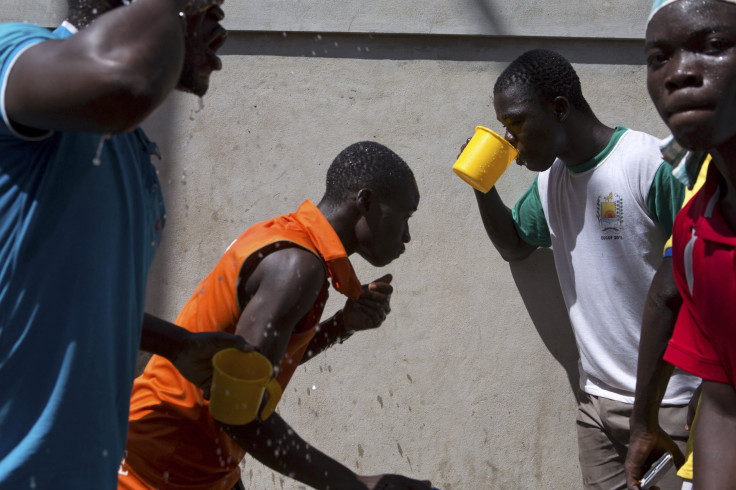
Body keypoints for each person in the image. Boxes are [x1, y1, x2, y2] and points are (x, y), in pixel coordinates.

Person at [0, 1, 249, 488]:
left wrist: (175, 345)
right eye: (204, 11)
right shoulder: (20, 54)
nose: (219, 31)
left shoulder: (128, 149)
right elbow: (125, 80)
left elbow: (71, 295)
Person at [118, 141, 433, 490]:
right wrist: (356, 484)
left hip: (196, 457)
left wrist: (340, 326)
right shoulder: (298, 268)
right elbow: (238, 414)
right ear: (367, 202)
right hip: (166, 464)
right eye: (405, 216)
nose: (407, 235)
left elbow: (256, 367)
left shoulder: (287, 238)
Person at [470, 49, 700, 489]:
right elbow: (515, 244)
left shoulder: (649, 165)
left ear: (559, 108)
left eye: (516, 123)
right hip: (597, 407)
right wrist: (483, 186)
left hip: (671, 404)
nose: (509, 138)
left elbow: (703, 271)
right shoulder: (549, 182)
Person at [625, 0, 736, 488]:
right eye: (658, 58)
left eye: (712, 47)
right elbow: (724, 399)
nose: (680, 73)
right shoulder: (694, 233)